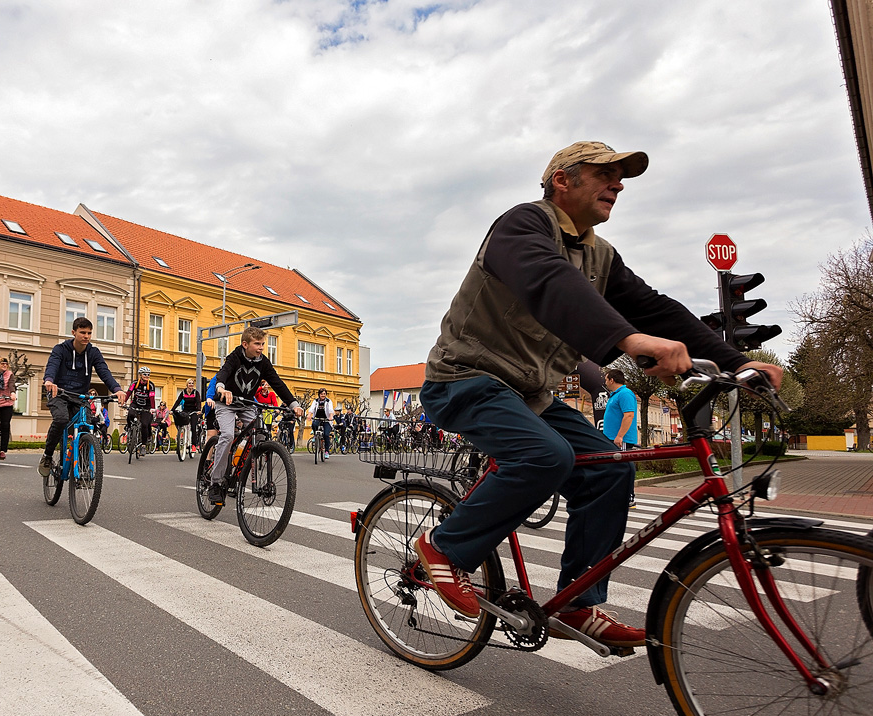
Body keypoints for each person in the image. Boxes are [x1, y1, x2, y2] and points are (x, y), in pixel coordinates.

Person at [414, 140, 783, 648]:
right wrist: (628, 340)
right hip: (466, 378)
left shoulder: (600, 255)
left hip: (530, 393)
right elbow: (551, 282)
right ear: (562, 179)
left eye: (622, 176)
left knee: (611, 467)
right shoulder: (521, 226)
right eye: (606, 173)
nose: (619, 183)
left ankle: (576, 606)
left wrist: (737, 362)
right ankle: (445, 548)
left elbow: (655, 308)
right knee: (546, 456)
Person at [208, 326, 304, 505]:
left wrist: (294, 404)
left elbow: (277, 383)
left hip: (246, 404)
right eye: (257, 344)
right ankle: (215, 483)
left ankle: (239, 472)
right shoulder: (235, 356)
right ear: (245, 344)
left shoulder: (263, 362)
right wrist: (221, 387)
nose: (261, 348)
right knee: (228, 435)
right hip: (226, 403)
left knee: (260, 435)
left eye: (263, 344)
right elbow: (224, 372)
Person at [39, 317, 126, 476]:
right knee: (61, 419)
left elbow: (103, 371)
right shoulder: (60, 349)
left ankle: (84, 466)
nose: (86, 336)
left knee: (86, 426)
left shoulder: (93, 352)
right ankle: (48, 455)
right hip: (59, 393)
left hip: (80, 397)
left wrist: (117, 389)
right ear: (74, 332)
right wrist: (49, 381)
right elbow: (52, 365)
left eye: (89, 333)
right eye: (82, 332)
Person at [601, 368, 639, 508]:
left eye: (606, 379)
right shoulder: (615, 395)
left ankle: (629, 497)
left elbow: (629, 415)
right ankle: (616, 495)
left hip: (621, 439)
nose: (605, 382)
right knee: (613, 467)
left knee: (624, 466)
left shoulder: (625, 394)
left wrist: (620, 436)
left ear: (612, 379)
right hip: (612, 438)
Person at [124, 367, 156, 453]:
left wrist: (152, 408)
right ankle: (129, 428)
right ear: (140, 375)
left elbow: (152, 398)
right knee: (130, 413)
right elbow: (128, 393)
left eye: (148, 374)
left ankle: (143, 445)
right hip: (136, 403)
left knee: (144, 424)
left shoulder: (151, 385)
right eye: (145, 374)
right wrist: (123, 402)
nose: (147, 376)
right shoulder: (135, 383)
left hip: (147, 406)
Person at [171, 378, 203, 454]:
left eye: (192, 383)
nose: (191, 385)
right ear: (187, 384)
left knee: (193, 427)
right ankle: (181, 438)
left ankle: (194, 445)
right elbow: (178, 401)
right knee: (180, 420)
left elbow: (198, 402)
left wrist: (199, 410)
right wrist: (172, 410)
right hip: (185, 410)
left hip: (194, 411)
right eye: (189, 383)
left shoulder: (196, 393)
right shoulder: (183, 392)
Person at [307, 388, 335, 459]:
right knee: (314, 424)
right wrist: (309, 414)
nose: (323, 395)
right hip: (318, 418)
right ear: (319, 394)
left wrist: (331, 416)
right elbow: (312, 408)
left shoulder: (328, 401)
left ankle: (326, 451)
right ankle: (315, 435)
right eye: (321, 394)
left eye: (324, 394)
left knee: (326, 434)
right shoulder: (316, 401)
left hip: (326, 420)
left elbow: (330, 409)